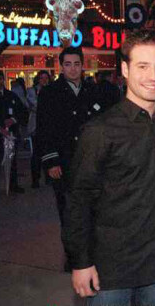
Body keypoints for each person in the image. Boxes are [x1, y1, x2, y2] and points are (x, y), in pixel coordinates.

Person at [63, 30, 155, 306]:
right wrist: (80, 262)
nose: (153, 76)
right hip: (110, 272)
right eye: (142, 66)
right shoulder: (100, 130)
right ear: (125, 69)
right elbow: (77, 199)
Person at [37, 48, 102, 229]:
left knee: (91, 210)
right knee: (67, 210)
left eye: (76, 64)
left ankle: (89, 252)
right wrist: (51, 161)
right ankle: (72, 253)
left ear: (82, 66)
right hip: (64, 159)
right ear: (61, 67)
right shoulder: (50, 92)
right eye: (68, 64)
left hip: (90, 160)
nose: (72, 69)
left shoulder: (92, 90)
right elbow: (44, 128)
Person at [26, 70, 51, 188]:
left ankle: (49, 177)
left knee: (50, 153)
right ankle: (35, 179)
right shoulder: (32, 91)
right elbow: (35, 105)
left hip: (49, 126)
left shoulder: (53, 90)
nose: (44, 80)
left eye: (46, 78)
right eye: (42, 78)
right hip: (36, 126)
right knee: (36, 154)